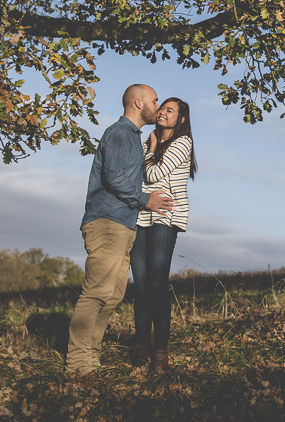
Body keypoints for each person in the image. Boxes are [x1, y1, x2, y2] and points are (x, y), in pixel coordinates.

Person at [65, 84, 174, 379]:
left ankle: (92, 357)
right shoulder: (119, 133)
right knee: (96, 292)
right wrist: (146, 200)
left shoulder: (133, 138)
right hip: (106, 221)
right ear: (138, 103)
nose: (158, 105)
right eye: (154, 100)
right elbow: (114, 179)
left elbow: (126, 175)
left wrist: (149, 152)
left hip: (122, 224)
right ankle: (77, 365)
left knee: (112, 296)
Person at [129, 97, 198, 372]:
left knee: (157, 285)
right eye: (162, 108)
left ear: (180, 119)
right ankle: (141, 344)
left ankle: (161, 351)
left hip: (165, 217)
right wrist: (150, 147)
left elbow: (152, 174)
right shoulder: (149, 141)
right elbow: (137, 177)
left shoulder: (182, 143)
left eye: (170, 111)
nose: (163, 113)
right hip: (140, 215)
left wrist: (153, 147)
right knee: (141, 285)